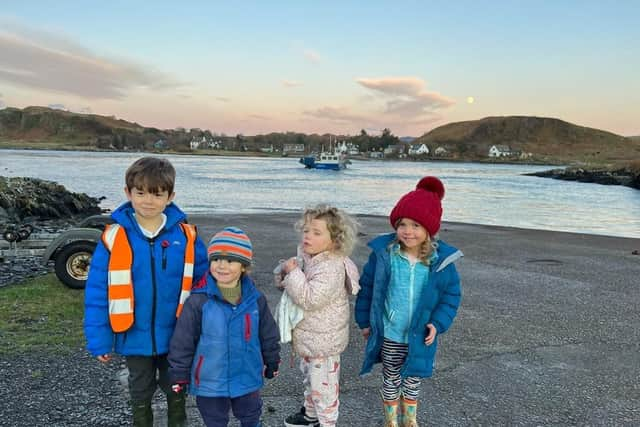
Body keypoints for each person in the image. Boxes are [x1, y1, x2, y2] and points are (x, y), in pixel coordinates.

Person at [84, 156, 209, 427]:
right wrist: (99, 339)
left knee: (176, 386)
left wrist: (206, 330)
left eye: (156, 194)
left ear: (170, 196)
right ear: (128, 193)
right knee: (139, 390)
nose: (148, 200)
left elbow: (203, 284)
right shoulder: (113, 237)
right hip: (133, 336)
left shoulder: (187, 236)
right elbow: (97, 292)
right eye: (140, 193)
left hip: (177, 335)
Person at [354, 176, 463, 427]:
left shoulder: (439, 263)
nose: (407, 231)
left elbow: (450, 297)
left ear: (429, 229)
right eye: (402, 224)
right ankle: (391, 421)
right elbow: (368, 290)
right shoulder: (385, 256)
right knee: (390, 378)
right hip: (391, 333)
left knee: (412, 380)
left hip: (420, 335)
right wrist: (365, 322)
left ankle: (410, 420)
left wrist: (437, 324)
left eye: (415, 225)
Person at [168, 227, 281, 427]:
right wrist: (179, 373)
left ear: (244, 266)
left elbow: (268, 334)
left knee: (251, 416)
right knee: (214, 420)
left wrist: (272, 360)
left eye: (230, 261)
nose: (222, 266)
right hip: (209, 380)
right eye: (216, 259)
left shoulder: (256, 300)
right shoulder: (198, 301)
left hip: (246, 376)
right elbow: (183, 341)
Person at [279, 204, 360, 427]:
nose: (308, 236)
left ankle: (327, 422)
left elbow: (309, 298)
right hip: (312, 336)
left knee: (323, 387)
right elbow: (297, 284)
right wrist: (287, 274)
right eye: (306, 230)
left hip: (324, 341)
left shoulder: (331, 267)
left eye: (316, 233)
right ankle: (311, 415)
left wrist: (292, 272)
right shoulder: (310, 256)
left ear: (334, 240)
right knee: (312, 380)